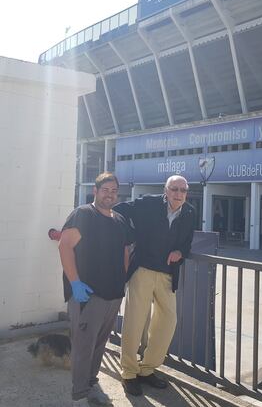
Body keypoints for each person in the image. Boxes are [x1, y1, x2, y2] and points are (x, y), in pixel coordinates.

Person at [114, 174, 195, 396]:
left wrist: (181, 252)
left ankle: (147, 369)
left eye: (183, 190)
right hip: (143, 270)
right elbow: (120, 210)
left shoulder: (189, 212)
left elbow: (187, 242)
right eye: (174, 189)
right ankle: (129, 372)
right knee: (135, 321)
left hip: (168, 274)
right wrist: (130, 237)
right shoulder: (148, 203)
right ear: (166, 190)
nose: (179, 194)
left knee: (168, 320)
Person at [58, 173, 132, 407]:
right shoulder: (84, 214)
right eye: (105, 190)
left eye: (113, 191)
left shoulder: (119, 219)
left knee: (100, 342)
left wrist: (123, 280)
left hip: (113, 293)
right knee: (83, 343)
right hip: (88, 294)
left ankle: (91, 380)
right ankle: (80, 390)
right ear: (96, 191)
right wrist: (75, 283)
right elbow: (65, 246)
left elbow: (125, 251)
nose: (109, 194)